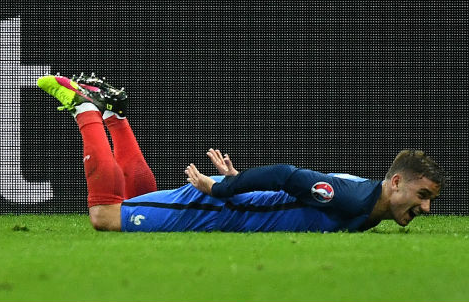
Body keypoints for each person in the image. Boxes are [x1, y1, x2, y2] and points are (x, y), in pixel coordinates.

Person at [36, 73, 445, 233]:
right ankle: (86, 109)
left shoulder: (368, 203)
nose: (425, 209)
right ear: (394, 182)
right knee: (104, 216)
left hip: (230, 203)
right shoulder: (355, 197)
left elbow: (287, 192)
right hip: (217, 210)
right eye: (422, 197)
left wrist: (237, 183)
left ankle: (114, 114)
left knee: (132, 201)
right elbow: (288, 175)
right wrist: (223, 189)